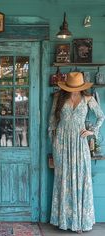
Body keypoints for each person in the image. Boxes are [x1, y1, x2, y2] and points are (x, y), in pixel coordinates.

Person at [48, 72, 105, 233]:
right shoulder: (59, 97)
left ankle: (80, 222)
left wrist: (91, 131)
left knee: (81, 179)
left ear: (82, 86)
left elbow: (101, 116)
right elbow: (52, 121)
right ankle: (64, 221)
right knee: (63, 180)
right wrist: (54, 142)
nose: (74, 89)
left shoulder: (88, 99)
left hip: (80, 144)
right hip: (62, 143)